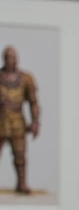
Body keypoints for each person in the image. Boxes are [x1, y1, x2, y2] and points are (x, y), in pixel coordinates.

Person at [0, 46, 40, 195]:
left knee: (20, 155)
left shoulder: (26, 79)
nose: (10, 60)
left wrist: (35, 122)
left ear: (16, 59)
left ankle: (21, 183)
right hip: (1, 119)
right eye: (7, 57)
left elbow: (33, 102)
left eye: (12, 57)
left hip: (18, 121)